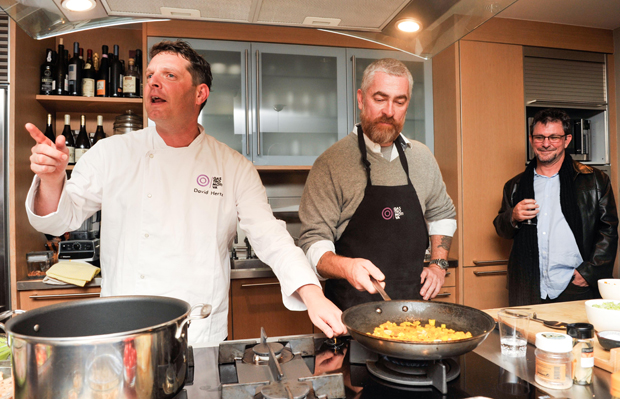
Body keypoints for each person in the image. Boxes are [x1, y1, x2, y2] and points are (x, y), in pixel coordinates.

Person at [25, 40, 346, 345]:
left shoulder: (233, 167)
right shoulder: (110, 153)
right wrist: (53, 180)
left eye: (169, 75)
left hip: (199, 329)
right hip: (125, 329)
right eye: (149, 75)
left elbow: (271, 238)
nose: (153, 83)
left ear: (199, 93)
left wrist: (313, 294)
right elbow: (58, 222)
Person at [297, 58, 457, 310]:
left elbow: (443, 213)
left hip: (413, 311)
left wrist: (438, 264)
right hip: (349, 315)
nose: (389, 111)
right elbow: (313, 241)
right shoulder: (331, 163)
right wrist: (347, 267)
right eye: (380, 99)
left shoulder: (423, 157)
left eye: (399, 101)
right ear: (361, 99)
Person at [494, 108, 618, 306]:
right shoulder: (515, 184)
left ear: (567, 140)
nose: (545, 144)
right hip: (528, 284)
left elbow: (608, 230)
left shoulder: (594, 180)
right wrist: (512, 216)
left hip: (574, 284)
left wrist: (588, 273)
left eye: (553, 137)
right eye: (539, 137)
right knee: (527, 337)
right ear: (531, 139)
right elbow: (502, 229)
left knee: (578, 338)